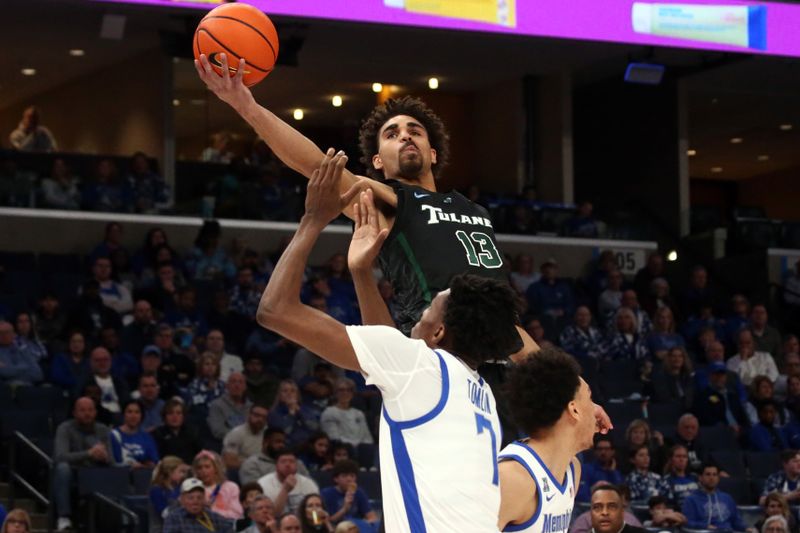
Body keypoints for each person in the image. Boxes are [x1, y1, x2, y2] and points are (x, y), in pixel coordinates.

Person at [195, 59, 545, 358]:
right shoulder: (385, 199)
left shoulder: (476, 210)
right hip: (435, 352)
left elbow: (511, 327)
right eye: (392, 134)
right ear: (377, 161)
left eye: (415, 131)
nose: (405, 136)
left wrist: (573, 390)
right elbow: (318, 166)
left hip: (496, 359)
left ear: (433, 152)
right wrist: (247, 107)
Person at [251, 156, 528, 531]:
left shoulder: (419, 367)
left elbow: (275, 310)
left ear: (438, 333)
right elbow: (388, 357)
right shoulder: (481, 394)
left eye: (430, 306)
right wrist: (361, 273)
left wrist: (313, 220)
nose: (419, 310)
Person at [497, 347, 597, 531]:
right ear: (574, 410)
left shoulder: (572, 468)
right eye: (590, 399)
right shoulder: (513, 478)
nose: (596, 410)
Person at [53, 397, 112, 531]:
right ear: (74, 413)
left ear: (96, 412)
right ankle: (64, 517)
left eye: (91, 410)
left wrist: (104, 457)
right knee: (62, 468)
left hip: (95, 471)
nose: (87, 413)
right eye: (83, 410)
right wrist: (89, 453)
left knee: (117, 470)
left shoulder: (103, 429)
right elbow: (60, 456)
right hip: (73, 473)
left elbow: (112, 459)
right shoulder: (65, 428)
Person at [681, 462, 747, 531]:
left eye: (714, 475)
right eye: (708, 474)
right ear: (700, 478)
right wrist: (705, 526)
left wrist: (746, 528)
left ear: (718, 478)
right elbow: (686, 522)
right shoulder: (691, 500)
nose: (711, 478)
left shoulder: (727, 498)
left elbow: (736, 520)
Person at [239, 428, 311, 486]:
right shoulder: (252, 464)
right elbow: (253, 491)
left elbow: (309, 484)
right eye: (278, 442)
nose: (282, 445)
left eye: (283, 442)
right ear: (265, 443)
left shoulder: (296, 462)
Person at [257, 450, 320, 516]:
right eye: (283, 462)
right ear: (276, 465)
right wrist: (285, 490)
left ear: (297, 465)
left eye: (291, 461)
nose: (287, 465)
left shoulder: (309, 484)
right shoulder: (263, 484)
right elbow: (270, 515)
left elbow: (315, 513)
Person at [163, 477, 234, 533]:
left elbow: (230, 528)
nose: (195, 501)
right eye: (190, 498)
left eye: (199, 497)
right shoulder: (174, 518)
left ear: (204, 499)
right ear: (182, 499)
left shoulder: (213, 517)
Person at [320, 460, 378, 527]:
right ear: (336, 479)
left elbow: (372, 517)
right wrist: (345, 509)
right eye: (344, 476)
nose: (349, 479)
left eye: (352, 476)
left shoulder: (359, 492)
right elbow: (328, 521)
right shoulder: (326, 494)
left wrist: (365, 524)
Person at [320, 378, 373, 449]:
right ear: (335, 393)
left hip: (362, 450)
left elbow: (367, 437)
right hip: (341, 450)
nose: (345, 393)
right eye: (341, 390)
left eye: (349, 390)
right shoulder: (329, 412)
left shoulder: (359, 413)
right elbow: (333, 438)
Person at [268, 380, 320, 449]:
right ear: (279, 395)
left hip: (308, 447)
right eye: (285, 391)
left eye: (292, 391)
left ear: (297, 395)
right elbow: (285, 432)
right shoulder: (274, 413)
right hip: (287, 448)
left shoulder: (305, 409)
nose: (289, 393)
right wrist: (291, 413)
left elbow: (314, 427)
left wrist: (299, 411)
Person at [193, 450, 244, 520]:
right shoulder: (192, 489)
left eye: (207, 467)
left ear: (216, 469)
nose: (203, 471)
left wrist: (212, 510)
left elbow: (237, 515)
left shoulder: (230, 487)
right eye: (199, 468)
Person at [110, 399, 160, 468]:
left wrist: (142, 466)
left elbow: (154, 463)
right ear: (124, 414)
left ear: (141, 416)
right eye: (129, 412)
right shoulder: (113, 436)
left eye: (137, 412)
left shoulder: (147, 438)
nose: (133, 416)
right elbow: (112, 462)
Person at [149, 456, 190, 533]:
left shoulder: (181, 488)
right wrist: (179, 502)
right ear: (170, 472)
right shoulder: (156, 490)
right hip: (161, 529)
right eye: (181, 472)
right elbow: (165, 514)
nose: (183, 475)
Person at [153, 398, 201, 464]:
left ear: (183, 416)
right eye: (170, 413)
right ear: (164, 417)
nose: (175, 416)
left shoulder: (192, 432)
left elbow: (199, 454)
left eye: (178, 413)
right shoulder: (158, 433)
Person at [223, 404, 269, 470]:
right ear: (249, 415)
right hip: (239, 470)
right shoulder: (236, 433)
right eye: (257, 415)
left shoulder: (268, 433)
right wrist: (254, 465)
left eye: (264, 417)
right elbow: (229, 462)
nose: (260, 419)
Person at [577, 436, 624, 502]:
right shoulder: (586, 469)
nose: (603, 452)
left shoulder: (617, 472)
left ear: (613, 451)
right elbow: (581, 496)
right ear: (595, 451)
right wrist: (593, 490)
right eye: (600, 449)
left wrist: (613, 473)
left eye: (607, 449)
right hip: (589, 507)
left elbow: (622, 496)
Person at [208, 372, 252, 441]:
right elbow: (218, 431)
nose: (237, 385)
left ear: (245, 387)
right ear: (227, 386)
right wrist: (241, 436)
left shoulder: (251, 407)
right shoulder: (216, 405)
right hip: (225, 444)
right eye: (233, 382)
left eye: (240, 382)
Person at [0, 321, 43, 386]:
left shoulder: (23, 350)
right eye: (0, 333)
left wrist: (9, 368)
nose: (4, 335)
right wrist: (26, 368)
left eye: (7, 332)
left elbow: (38, 374)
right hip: (6, 390)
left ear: (13, 334)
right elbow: (4, 373)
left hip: (27, 389)